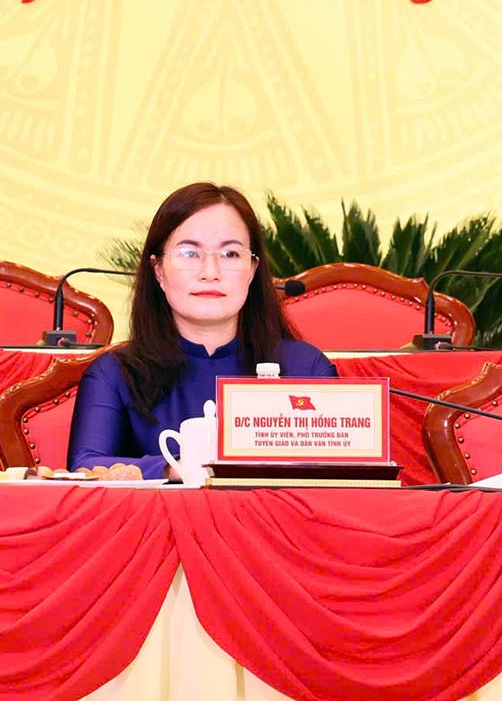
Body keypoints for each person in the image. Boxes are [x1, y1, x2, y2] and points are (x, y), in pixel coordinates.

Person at [68, 181, 336, 478]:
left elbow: (340, 470)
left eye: (230, 254)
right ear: (158, 270)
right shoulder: (114, 373)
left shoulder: (306, 367)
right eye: (189, 254)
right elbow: (86, 466)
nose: (210, 272)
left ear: (252, 270)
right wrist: (176, 468)